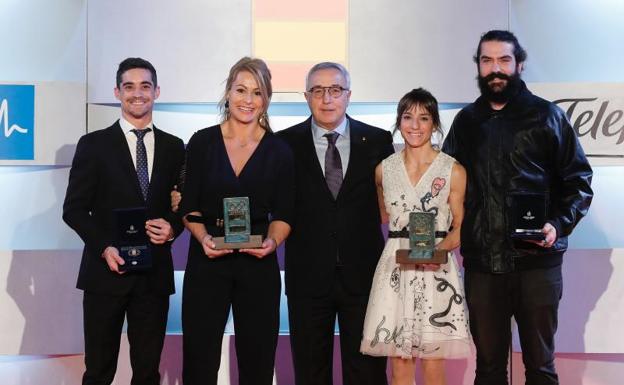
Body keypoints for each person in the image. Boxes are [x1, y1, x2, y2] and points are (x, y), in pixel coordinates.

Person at [442, 30, 593, 385]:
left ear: (519, 64)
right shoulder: (466, 121)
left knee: (540, 368)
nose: (496, 69)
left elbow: (579, 182)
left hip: (537, 264)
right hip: (482, 265)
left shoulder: (547, 116)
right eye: (487, 61)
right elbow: (447, 186)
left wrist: (557, 223)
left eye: (504, 60)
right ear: (478, 67)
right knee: (489, 370)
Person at [63, 57, 185, 385]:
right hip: (106, 274)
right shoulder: (94, 144)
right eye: (129, 86)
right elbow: (73, 209)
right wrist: (104, 247)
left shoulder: (176, 147)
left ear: (157, 91)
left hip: (153, 277)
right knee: (99, 371)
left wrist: (174, 226)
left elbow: (184, 205)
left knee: (147, 373)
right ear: (117, 92)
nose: (137, 94)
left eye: (145, 86)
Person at [178, 57, 294, 385]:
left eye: (257, 93)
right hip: (207, 259)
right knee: (199, 361)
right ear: (228, 92)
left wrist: (272, 242)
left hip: (258, 263)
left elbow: (285, 213)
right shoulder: (201, 142)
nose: (248, 99)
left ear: (266, 99)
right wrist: (203, 239)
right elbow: (188, 206)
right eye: (241, 90)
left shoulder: (280, 150)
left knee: (257, 363)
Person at [277, 62, 394, 385]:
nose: (327, 98)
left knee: (368, 372)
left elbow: (396, 203)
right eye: (318, 90)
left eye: (335, 90)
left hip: (365, 276)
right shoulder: (283, 144)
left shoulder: (378, 140)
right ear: (306, 96)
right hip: (308, 277)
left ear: (348, 95)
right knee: (311, 371)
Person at [360, 88, 471, 385]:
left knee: (433, 357)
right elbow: (383, 216)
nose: (415, 125)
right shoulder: (384, 169)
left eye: (424, 118)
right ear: (399, 122)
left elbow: (460, 226)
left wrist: (437, 251)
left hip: (436, 268)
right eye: (408, 117)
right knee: (399, 357)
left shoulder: (453, 170)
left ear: (434, 123)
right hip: (396, 266)